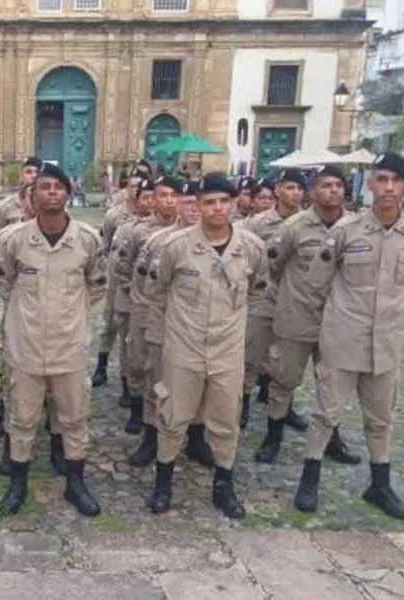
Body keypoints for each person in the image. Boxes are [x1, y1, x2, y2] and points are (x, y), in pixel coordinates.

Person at [293, 152, 404, 520]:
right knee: (326, 413)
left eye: (395, 181)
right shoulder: (345, 231)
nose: (387, 188)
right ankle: (310, 479)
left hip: (386, 343)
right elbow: (316, 284)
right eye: (381, 179)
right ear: (369, 184)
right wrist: (342, 315)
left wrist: (388, 309)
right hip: (343, 339)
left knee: (381, 417)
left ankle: (379, 485)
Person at [144, 173, 266, 520]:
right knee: (172, 417)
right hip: (183, 349)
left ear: (234, 204)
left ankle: (223, 486)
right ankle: (163, 483)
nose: (216, 209)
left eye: (223, 202)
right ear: (197, 206)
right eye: (209, 202)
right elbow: (156, 292)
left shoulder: (252, 248)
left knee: (226, 421)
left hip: (228, 352)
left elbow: (258, 289)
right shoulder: (174, 247)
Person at [0, 162, 108, 517]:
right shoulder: (12, 239)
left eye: (58, 187)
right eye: (44, 187)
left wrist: (66, 316)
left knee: (74, 417)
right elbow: (2, 284)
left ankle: (75, 483)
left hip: (69, 346)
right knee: (22, 418)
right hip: (25, 346)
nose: (52, 192)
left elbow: (97, 285)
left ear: (68, 193)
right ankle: (18, 482)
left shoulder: (88, 239)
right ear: (33, 194)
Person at [254, 165, 361, 466]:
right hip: (296, 317)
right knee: (283, 379)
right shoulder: (295, 226)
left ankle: (332, 439)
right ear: (313, 192)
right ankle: (273, 435)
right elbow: (272, 265)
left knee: (332, 385)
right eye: (326, 185)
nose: (334, 190)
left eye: (339, 185)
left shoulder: (355, 227)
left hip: (338, 321)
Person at [130, 180, 202, 467]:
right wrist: (148, 327)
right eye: (187, 202)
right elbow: (141, 285)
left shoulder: (223, 243)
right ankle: (151, 435)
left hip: (202, 329)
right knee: (156, 382)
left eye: (198, 203)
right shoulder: (158, 242)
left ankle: (196, 438)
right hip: (163, 324)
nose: (192, 209)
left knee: (201, 384)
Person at [112, 175, 181, 434]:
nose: (168, 201)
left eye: (174, 196)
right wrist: (136, 296)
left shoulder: (188, 231)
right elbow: (123, 266)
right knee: (139, 361)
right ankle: (137, 409)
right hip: (141, 305)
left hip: (177, 311)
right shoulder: (137, 231)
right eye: (163, 195)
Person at [238, 170, 305, 428]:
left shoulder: (308, 224)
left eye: (300, 188)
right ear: (278, 190)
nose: (295, 193)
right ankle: (241, 403)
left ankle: (282, 410)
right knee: (249, 355)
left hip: (296, 300)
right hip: (263, 297)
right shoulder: (258, 223)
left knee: (289, 362)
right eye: (290, 187)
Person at [0, 157, 42, 423]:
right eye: (29, 171)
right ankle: (4, 398)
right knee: (9, 347)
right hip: (13, 291)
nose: (32, 176)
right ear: (21, 174)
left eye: (37, 172)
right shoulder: (5, 208)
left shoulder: (50, 210)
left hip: (44, 296)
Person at [92, 175, 154, 388]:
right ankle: (101, 365)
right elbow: (106, 245)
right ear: (127, 190)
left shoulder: (156, 223)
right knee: (110, 322)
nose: (138, 191)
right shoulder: (115, 215)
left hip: (144, 284)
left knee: (133, 334)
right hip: (117, 276)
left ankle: (133, 379)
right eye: (133, 187)